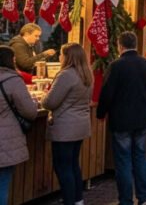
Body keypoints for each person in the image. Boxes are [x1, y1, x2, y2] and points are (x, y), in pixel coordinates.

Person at [96, 32, 146, 205]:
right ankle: (144, 196)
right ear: (136, 44)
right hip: (142, 120)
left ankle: (125, 200)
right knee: (140, 158)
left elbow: (107, 93)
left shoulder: (116, 66)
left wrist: (101, 114)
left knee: (123, 161)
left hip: (121, 120)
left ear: (120, 45)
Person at [42, 43, 93, 205]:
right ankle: (78, 199)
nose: (59, 57)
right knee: (72, 165)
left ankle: (69, 201)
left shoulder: (65, 75)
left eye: (61, 55)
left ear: (67, 57)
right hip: (80, 126)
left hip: (65, 127)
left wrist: (43, 97)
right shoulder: (86, 74)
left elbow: (50, 102)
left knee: (63, 167)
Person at [0, 46, 38, 204]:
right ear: (11, 60)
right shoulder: (12, 80)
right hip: (5, 141)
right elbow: (30, 111)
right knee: (2, 185)